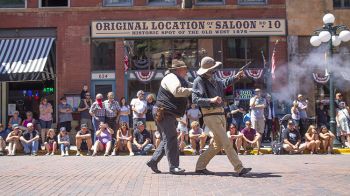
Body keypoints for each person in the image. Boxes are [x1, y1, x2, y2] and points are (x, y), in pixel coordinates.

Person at [192, 56, 251, 176]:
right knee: (226, 141)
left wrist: (236, 77)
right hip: (210, 115)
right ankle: (239, 168)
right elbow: (195, 99)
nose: (214, 71)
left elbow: (224, 83)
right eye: (212, 69)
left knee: (217, 145)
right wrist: (211, 100)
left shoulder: (213, 78)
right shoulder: (199, 81)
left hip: (220, 114)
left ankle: (200, 166)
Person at [147, 59, 192, 175]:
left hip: (167, 113)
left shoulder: (179, 79)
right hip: (164, 112)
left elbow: (191, 86)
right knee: (171, 138)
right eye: (184, 69)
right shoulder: (171, 78)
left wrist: (197, 86)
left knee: (168, 138)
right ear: (178, 70)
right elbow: (177, 91)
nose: (186, 71)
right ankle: (174, 167)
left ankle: (153, 161)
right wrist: (194, 90)